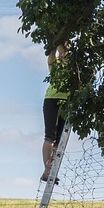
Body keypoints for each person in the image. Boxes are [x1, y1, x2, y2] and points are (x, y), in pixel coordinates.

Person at [41, 43, 68, 182]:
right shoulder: (54, 62)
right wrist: (55, 40)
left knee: (60, 139)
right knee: (49, 136)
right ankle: (47, 170)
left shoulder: (74, 66)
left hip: (67, 102)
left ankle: (53, 169)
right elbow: (51, 53)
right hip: (52, 99)